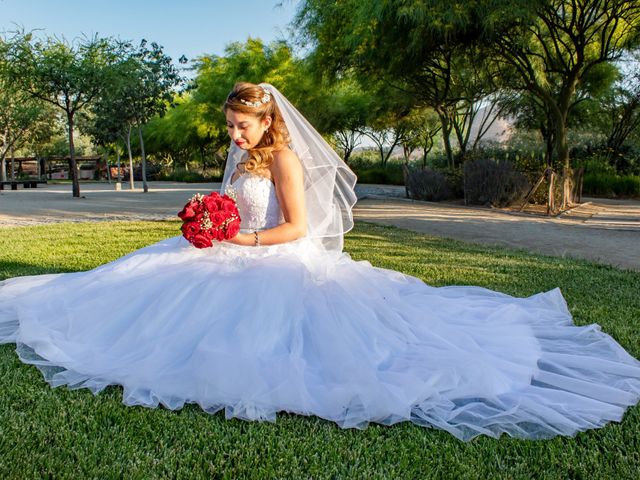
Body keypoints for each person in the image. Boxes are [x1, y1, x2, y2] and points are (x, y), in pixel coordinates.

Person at [0, 82, 639, 442]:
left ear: (266, 121)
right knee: (136, 286)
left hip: (271, 258)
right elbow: (234, 205)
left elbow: (297, 227)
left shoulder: (282, 159)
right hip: (227, 250)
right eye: (229, 127)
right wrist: (207, 219)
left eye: (241, 127)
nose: (234, 136)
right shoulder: (241, 159)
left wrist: (240, 242)